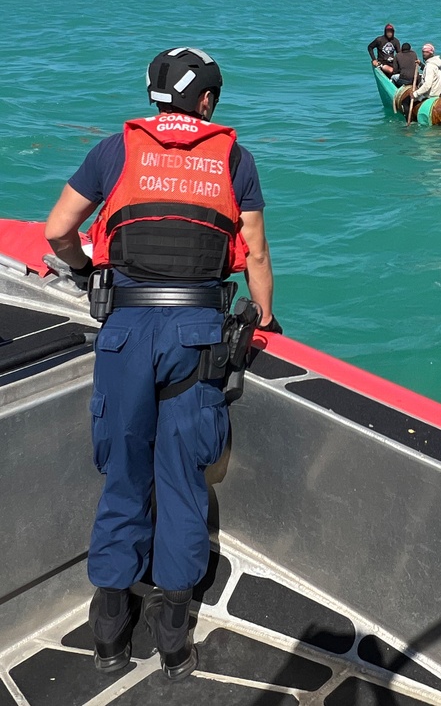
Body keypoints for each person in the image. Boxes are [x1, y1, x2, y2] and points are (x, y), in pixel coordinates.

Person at [44, 48, 279, 682]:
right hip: (195, 337)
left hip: (123, 334)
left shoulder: (114, 152)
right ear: (206, 101)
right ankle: (174, 636)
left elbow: (58, 229)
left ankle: (109, 630)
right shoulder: (234, 158)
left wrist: (85, 266)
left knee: (124, 475)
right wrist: (263, 314)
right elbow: (254, 251)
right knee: (182, 479)